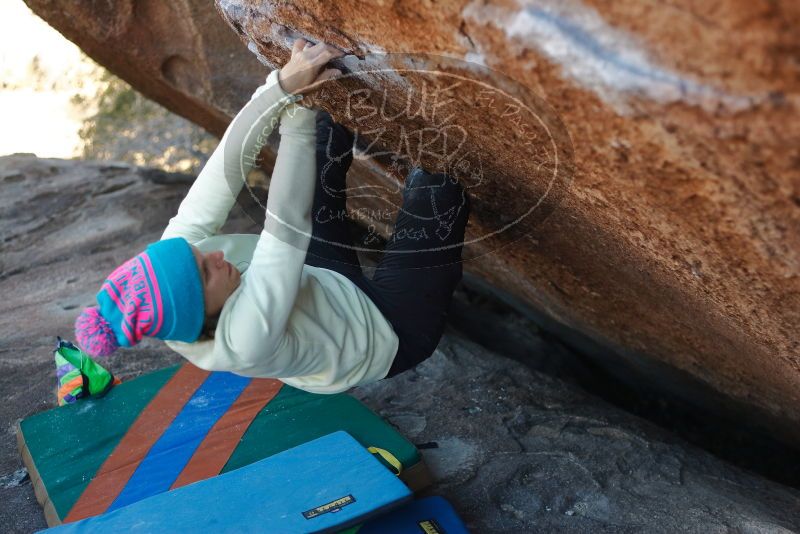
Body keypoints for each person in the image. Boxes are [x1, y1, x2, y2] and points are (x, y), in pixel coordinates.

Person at [74, 38, 471, 393]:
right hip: (386, 333)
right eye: (207, 272)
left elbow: (224, 170)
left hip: (316, 281)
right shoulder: (246, 339)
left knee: (324, 120)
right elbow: (286, 222)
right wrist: (296, 116)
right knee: (439, 187)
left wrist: (282, 88)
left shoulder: (176, 264)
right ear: (204, 314)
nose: (215, 257)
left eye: (199, 256)